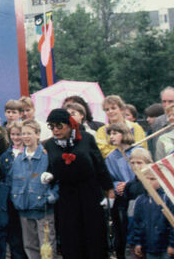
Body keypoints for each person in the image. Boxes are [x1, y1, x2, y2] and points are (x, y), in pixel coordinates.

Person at [43, 108, 113, 258]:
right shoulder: (49, 145)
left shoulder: (86, 138)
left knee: (94, 235)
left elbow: (99, 165)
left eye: (59, 126)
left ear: (69, 124)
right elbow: (52, 167)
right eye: (52, 127)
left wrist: (109, 191)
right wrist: (49, 176)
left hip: (90, 192)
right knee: (71, 237)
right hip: (67, 196)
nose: (55, 130)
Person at [10, 119, 57, 259]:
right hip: (24, 210)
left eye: (29, 133)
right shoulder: (18, 159)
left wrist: (50, 197)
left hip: (44, 210)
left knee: (47, 248)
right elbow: (13, 182)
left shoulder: (47, 157)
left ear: (38, 135)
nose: (25, 136)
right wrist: (16, 199)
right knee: (30, 248)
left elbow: (58, 182)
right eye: (23, 133)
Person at [105, 121, 136, 259]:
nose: (112, 136)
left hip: (135, 196)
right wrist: (118, 185)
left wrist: (128, 184)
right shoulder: (111, 156)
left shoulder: (136, 151)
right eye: (110, 134)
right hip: (120, 198)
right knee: (120, 232)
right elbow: (109, 177)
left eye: (115, 133)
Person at [128, 169, 174, 259]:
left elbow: (172, 224)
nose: (149, 181)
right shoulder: (140, 200)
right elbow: (137, 223)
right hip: (149, 247)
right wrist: (138, 242)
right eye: (146, 178)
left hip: (165, 247)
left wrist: (172, 244)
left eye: (153, 179)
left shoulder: (166, 199)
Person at [0, 120, 25, 259]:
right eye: (13, 134)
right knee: (14, 236)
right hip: (11, 200)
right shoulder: (5, 156)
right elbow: (2, 177)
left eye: (19, 134)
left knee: (27, 235)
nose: (16, 137)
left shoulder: (29, 152)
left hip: (26, 199)